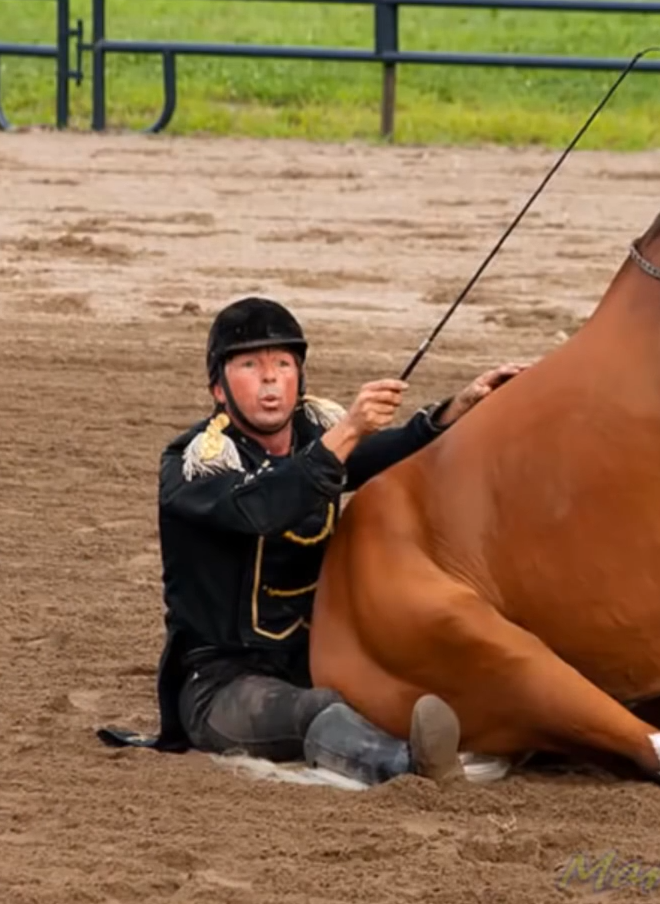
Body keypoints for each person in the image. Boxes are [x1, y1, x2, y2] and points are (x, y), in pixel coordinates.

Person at [131, 295, 527, 786]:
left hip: (314, 658)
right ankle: (411, 766)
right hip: (221, 684)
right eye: (250, 365)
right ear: (218, 387)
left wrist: (457, 407)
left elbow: (385, 453)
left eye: (282, 363)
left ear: (300, 378)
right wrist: (349, 430)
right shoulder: (193, 463)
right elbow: (262, 506)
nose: (270, 378)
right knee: (317, 709)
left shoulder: (312, 438)